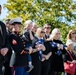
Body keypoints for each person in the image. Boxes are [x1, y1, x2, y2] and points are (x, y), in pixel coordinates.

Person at [0, 5, 9, 75]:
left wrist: (6, 48)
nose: (0, 12)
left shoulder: (2, 25)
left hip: (2, 57)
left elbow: (6, 39)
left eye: (0, 10)